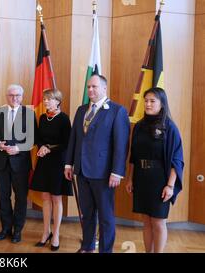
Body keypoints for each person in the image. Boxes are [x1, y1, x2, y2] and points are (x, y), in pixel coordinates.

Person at [64, 74, 130, 253]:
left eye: (94, 87)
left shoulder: (117, 111)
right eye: (88, 87)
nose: (90, 90)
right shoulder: (81, 110)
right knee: (87, 213)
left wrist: (117, 172)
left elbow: (121, 144)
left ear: (104, 88)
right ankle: (87, 246)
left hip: (104, 173)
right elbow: (74, 139)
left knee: (106, 216)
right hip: (82, 170)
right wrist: (69, 164)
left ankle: (105, 250)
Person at [125, 87, 184, 253]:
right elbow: (134, 156)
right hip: (141, 178)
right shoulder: (139, 126)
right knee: (146, 220)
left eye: (152, 101)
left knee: (158, 221)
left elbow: (177, 160)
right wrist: (130, 178)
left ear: (162, 104)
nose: (148, 104)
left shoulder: (170, 128)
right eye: (146, 101)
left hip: (160, 180)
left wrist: (170, 186)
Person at [0, 84, 37, 244]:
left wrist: (18, 148)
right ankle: (5, 228)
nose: (14, 98)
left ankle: (17, 230)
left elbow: (33, 139)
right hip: (1, 162)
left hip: (21, 163)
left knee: (20, 198)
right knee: (4, 197)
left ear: (22, 97)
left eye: (17, 95)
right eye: (11, 95)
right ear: (6, 96)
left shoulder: (29, 114)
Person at [31, 89, 72, 251]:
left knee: (56, 198)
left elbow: (66, 143)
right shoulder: (42, 117)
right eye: (44, 99)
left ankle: (56, 234)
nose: (45, 102)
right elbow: (39, 138)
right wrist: (41, 147)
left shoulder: (63, 119)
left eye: (49, 99)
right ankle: (45, 231)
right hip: (43, 162)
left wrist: (48, 148)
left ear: (58, 101)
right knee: (45, 198)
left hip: (57, 162)